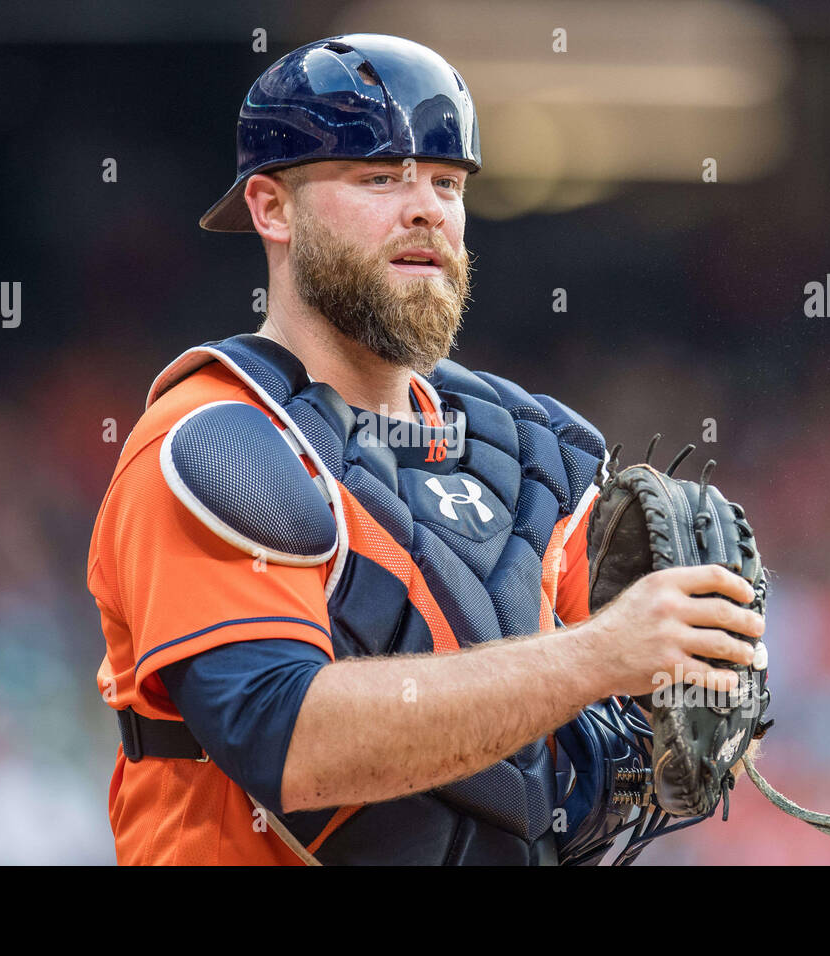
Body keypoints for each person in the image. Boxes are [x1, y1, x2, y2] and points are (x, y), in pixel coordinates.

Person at [87, 33, 761, 865]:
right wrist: (598, 658)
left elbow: (653, 740)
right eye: (379, 177)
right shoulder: (215, 443)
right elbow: (289, 742)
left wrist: (691, 693)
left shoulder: (539, 452)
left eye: (447, 182)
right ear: (271, 208)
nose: (427, 209)